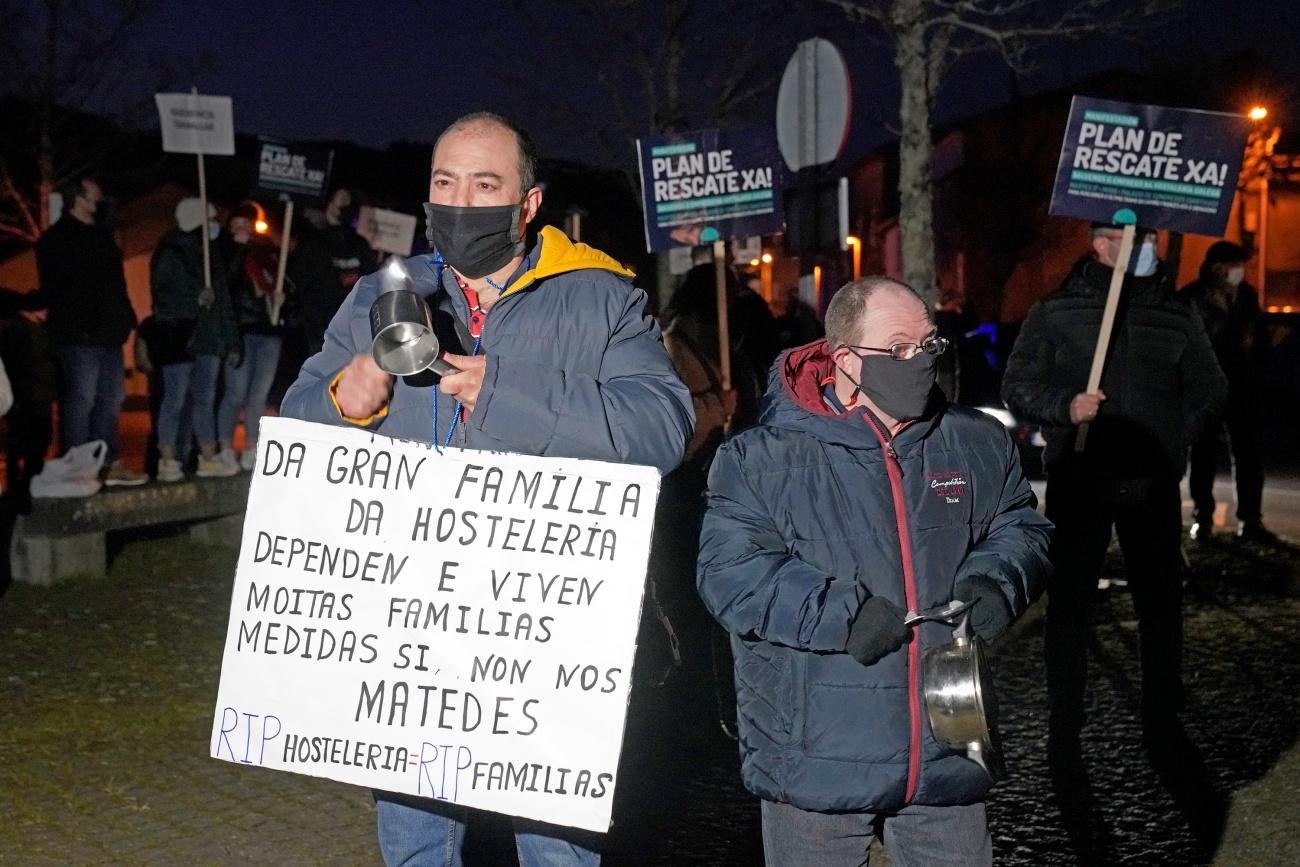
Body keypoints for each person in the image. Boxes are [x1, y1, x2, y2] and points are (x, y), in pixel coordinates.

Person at [280, 111, 693, 867]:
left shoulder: (601, 295)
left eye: (484, 184)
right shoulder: (385, 290)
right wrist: (355, 392)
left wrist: (497, 390)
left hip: (540, 631)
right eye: (445, 183)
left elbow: (662, 426)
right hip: (405, 624)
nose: (461, 202)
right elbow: (299, 432)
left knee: (556, 855)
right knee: (416, 848)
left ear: (527, 203)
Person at [697, 276, 1051, 867]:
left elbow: (1021, 526)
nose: (919, 362)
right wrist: (845, 614)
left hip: (946, 742)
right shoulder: (759, 457)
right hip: (816, 752)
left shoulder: (974, 440)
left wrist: (998, 580)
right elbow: (730, 573)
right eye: (899, 349)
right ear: (845, 361)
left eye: (929, 345)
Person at [1002, 223, 1227, 758]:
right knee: (1071, 607)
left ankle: (1162, 711)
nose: (1146, 247)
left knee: (1160, 604)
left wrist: (1173, 439)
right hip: (1080, 482)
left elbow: (1211, 387)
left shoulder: (1174, 313)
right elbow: (1018, 385)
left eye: (1148, 238)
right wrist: (1066, 408)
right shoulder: (1055, 312)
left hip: (1150, 483)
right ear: (1102, 245)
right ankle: (1065, 719)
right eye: (1132, 238)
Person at [35, 176, 147, 486]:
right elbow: (57, 289)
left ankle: (108, 463)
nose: (100, 202)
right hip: (78, 335)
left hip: (108, 333)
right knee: (81, 399)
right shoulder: (56, 240)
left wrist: (125, 316)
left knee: (111, 400)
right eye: (95, 196)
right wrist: (82, 322)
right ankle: (78, 465)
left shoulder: (102, 236)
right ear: (79, 199)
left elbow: (115, 283)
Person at [1183, 241, 1275, 543]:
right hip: (1207, 385)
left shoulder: (1246, 295)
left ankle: (1250, 520)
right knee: (1203, 454)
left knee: (1248, 453)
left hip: (1242, 385)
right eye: (1236, 264)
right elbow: (1195, 342)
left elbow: (1257, 336)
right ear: (1217, 268)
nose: (1241, 271)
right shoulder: (1193, 296)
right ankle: (1203, 518)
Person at [149, 198, 240, 481]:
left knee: (205, 399)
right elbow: (163, 294)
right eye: (210, 219)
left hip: (208, 338)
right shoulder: (172, 249)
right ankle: (167, 460)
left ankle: (208, 457)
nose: (215, 225)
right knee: (175, 398)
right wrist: (194, 298)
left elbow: (223, 299)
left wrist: (231, 339)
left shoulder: (210, 253)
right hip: (180, 336)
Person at [215, 204, 285, 472]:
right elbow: (227, 284)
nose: (245, 229)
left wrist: (281, 298)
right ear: (230, 227)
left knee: (258, 396)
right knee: (235, 393)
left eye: (248, 224)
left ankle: (251, 448)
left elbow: (278, 280)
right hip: (240, 331)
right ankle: (224, 449)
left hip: (268, 330)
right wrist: (238, 249)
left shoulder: (265, 252)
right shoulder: (223, 252)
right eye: (239, 224)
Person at [289, 187, 378, 355]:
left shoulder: (359, 244)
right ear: (328, 206)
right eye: (340, 200)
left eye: (347, 201)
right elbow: (303, 282)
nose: (344, 205)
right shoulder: (312, 243)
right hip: (322, 329)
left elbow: (371, 281)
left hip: (352, 331)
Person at [0, 291, 58, 513]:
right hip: (31, 398)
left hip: (28, 397)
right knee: (32, 445)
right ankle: (24, 492)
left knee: (23, 446)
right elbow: (28, 364)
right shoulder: (25, 330)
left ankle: (20, 490)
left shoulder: (17, 328)